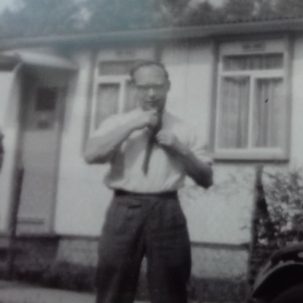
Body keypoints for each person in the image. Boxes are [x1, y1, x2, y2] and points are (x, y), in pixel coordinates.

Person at [84, 60, 213, 303]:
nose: (151, 94)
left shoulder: (185, 128)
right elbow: (91, 155)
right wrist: (131, 126)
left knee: (171, 290)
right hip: (124, 208)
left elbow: (206, 179)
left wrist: (180, 149)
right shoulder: (116, 123)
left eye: (157, 86)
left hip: (167, 210)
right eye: (144, 87)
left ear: (168, 87)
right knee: (113, 285)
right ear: (133, 88)